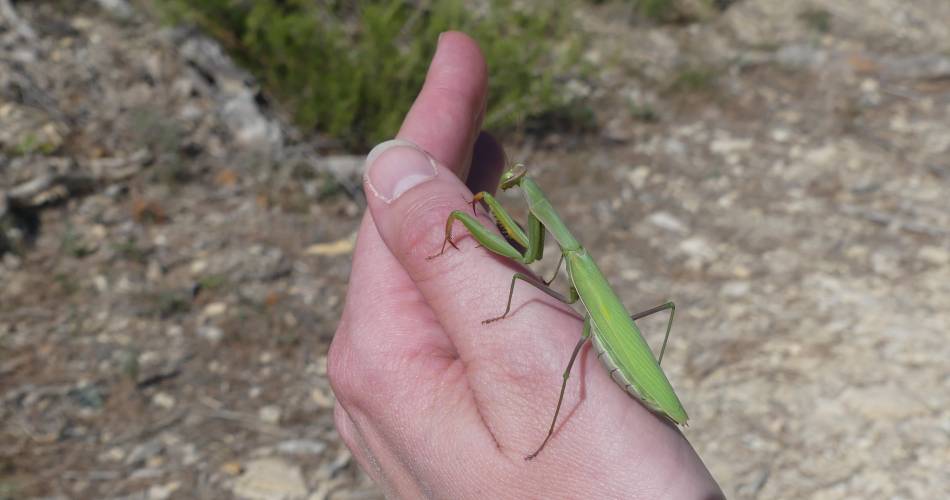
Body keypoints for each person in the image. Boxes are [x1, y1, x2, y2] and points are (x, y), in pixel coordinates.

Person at [327, 31, 724, 499]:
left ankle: (552, 427)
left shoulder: (569, 253)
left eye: (515, 182)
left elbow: (525, 259)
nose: (510, 182)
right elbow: (531, 257)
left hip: (627, 364)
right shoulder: (570, 250)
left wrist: (459, 218)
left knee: (572, 360)